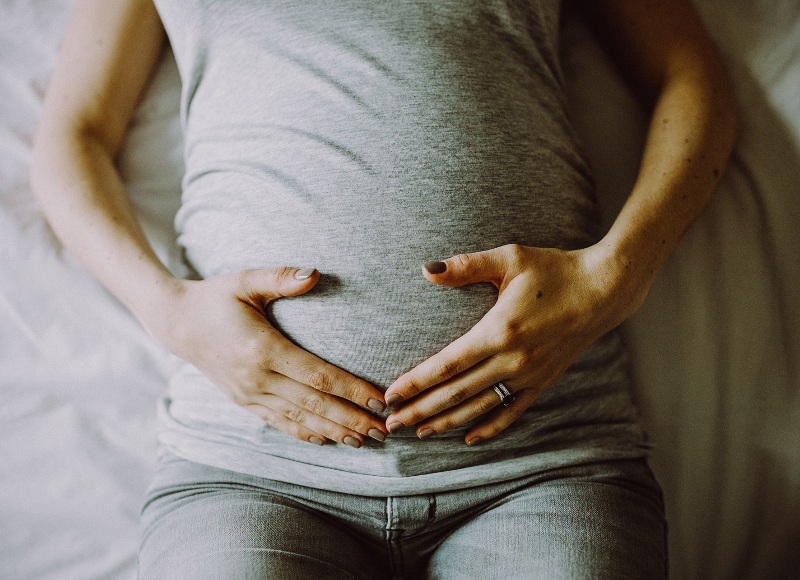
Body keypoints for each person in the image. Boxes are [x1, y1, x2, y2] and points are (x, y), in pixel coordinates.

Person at [30, 0, 737, 577]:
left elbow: (688, 71)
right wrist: (167, 310)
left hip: (545, 458)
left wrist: (614, 276)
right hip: (248, 467)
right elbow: (75, 132)